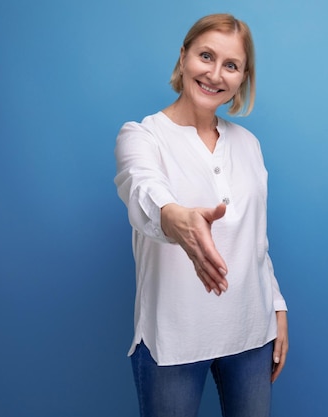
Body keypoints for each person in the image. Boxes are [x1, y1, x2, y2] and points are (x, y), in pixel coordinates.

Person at [114, 13, 288, 417]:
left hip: (251, 335)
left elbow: (256, 242)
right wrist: (176, 218)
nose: (214, 74)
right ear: (183, 56)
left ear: (243, 78)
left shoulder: (248, 144)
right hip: (173, 339)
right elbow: (142, 190)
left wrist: (277, 308)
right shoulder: (142, 136)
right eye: (205, 56)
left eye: (231, 65)